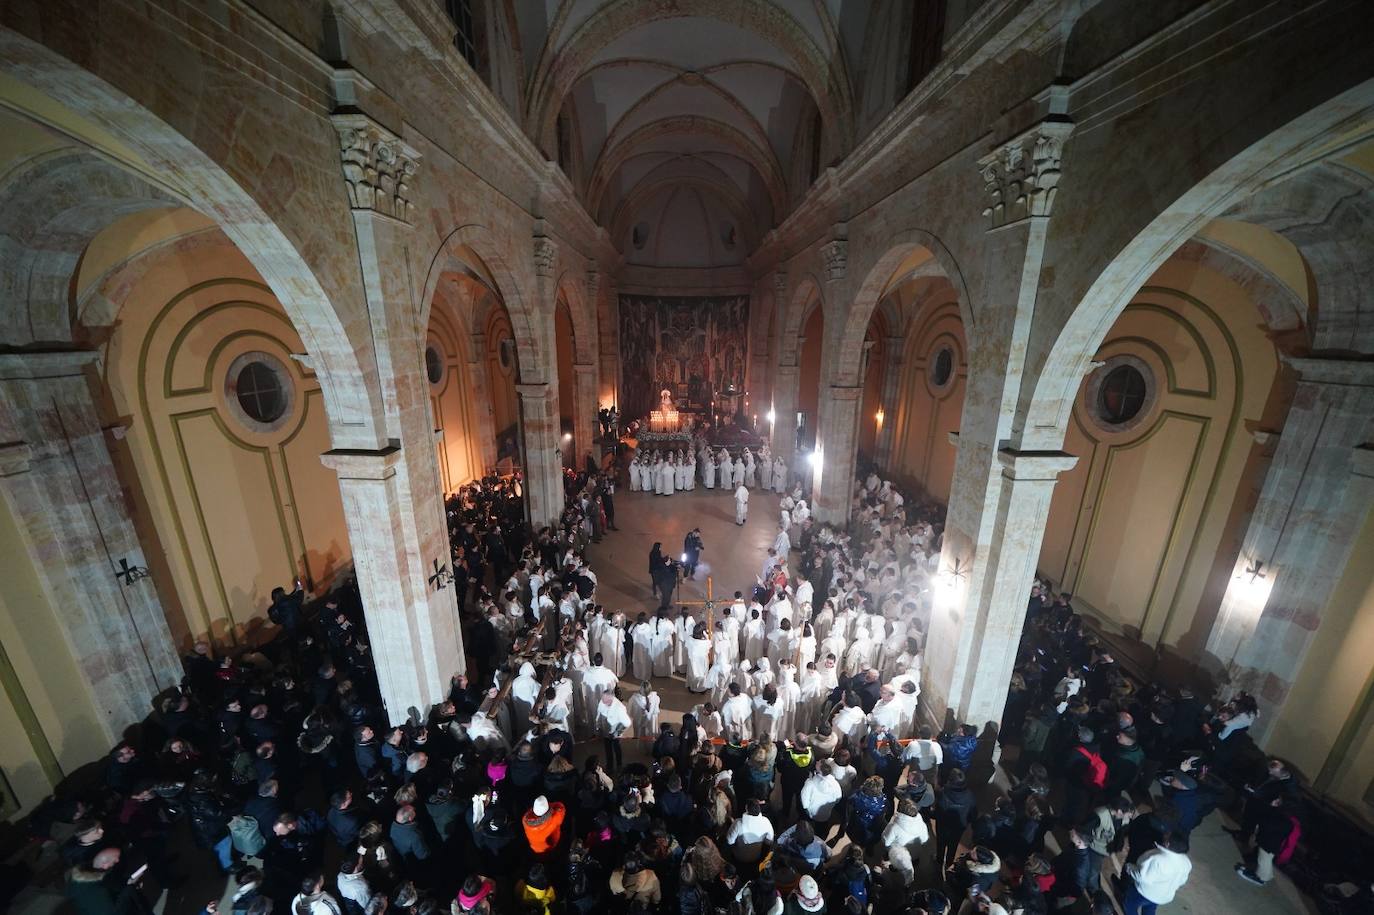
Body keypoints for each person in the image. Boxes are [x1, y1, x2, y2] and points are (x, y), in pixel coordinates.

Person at [1124, 832, 1192, 914]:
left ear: (1168, 844)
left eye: (1168, 835)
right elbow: (1182, 881)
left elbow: (1142, 877)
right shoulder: (1186, 862)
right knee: (1150, 909)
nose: (1165, 834)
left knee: (1129, 905)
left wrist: (1129, 868)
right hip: (1163, 896)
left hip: (1144, 893)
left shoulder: (1157, 859)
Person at [595, 690, 631, 771]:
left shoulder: (619, 708)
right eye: (602, 699)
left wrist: (617, 732)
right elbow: (599, 714)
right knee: (608, 750)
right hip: (605, 732)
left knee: (617, 749)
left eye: (605, 700)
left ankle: (619, 765)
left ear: (611, 699)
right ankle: (610, 766)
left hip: (615, 734)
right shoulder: (602, 702)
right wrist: (598, 727)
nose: (602, 701)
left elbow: (627, 723)